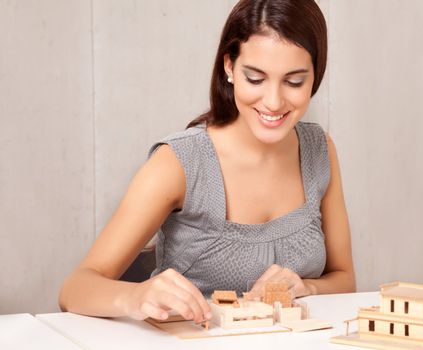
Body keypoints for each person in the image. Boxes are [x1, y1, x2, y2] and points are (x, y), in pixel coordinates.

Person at [59, 0, 355, 325]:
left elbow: (344, 280)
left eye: (294, 81)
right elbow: (75, 289)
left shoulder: (319, 150)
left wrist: (307, 286)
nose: (273, 101)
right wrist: (136, 296)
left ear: (316, 74)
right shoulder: (178, 163)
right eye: (255, 79)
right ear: (229, 66)